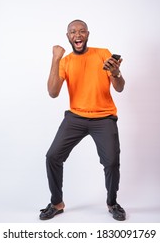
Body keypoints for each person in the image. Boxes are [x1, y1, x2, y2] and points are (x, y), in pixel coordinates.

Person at [40, 19, 126, 221]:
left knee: (112, 163)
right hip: (75, 117)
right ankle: (56, 203)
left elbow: (120, 87)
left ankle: (112, 203)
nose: (77, 35)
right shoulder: (65, 61)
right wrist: (55, 59)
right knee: (52, 156)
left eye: (81, 31)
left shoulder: (102, 53)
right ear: (68, 36)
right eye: (72, 32)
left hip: (104, 117)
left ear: (87, 34)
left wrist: (116, 72)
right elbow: (53, 93)